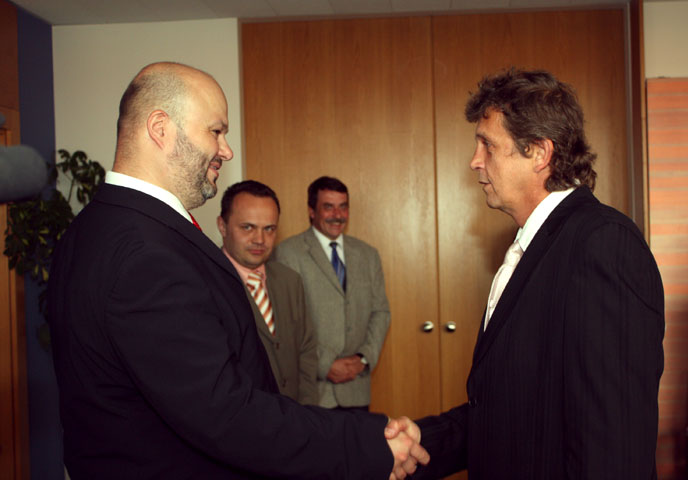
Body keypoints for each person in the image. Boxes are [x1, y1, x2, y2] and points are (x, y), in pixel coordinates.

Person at [47, 61, 427, 479]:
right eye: (216, 131)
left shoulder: (89, 228)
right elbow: (225, 413)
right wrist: (367, 446)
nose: (226, 150)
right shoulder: (148, 254)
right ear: (160, 128)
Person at [387, 69, 665, 479]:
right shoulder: (533, 244)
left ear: (539, 153)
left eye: (487, 145)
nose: (475, 161)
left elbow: (615, 443)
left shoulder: (603, 244)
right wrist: (423, 442)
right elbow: (509, 408)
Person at [273, 176, 390, 411]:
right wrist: (325, 365)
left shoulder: (368, 255)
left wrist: (363, 359)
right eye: (328, 207)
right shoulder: (287, 253)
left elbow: (381, 312)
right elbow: (286, 323)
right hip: (313, 393)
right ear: (311, 211)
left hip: (357, 388)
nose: (338, 215)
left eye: (343, 206)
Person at [217, 180, 318, 405]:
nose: (260, 240)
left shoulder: (289, 281)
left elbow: (307, 352)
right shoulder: (206, 283)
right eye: (248, 227)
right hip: (241, 420)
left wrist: (307, 413)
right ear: (222, 226)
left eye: (269, 229)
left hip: (295, 415)